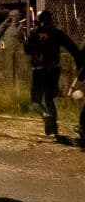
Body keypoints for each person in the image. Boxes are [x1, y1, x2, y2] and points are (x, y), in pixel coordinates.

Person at [23, 10, 82, 138]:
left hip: (38, 70)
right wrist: (79, 65)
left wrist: (36, 41)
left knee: (35, 101)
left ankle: (45, 116)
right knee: (49, 99)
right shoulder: (57, 33)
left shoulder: (34, 33)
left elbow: (26, 49)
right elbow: (73, 48)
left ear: (38, 21)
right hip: (54, 69)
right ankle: (54, 129)